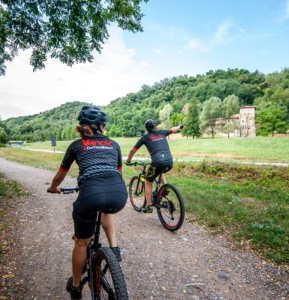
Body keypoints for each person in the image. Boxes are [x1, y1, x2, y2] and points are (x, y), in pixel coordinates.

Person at [48, 106, 127, 300]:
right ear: (101, 126)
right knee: (108, 209)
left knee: (82, 243)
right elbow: (120, 173)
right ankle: (114, 247)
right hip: (119, 194)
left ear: (82, 126)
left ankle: (75, 287)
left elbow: (60, 176)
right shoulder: (113, 144)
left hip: (91, 195)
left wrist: (53, 188)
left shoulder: (77, 145)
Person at [126, 119, 182, 213]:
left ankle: (149, 206)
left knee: (148, 182)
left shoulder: (145, 137)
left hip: (157, 162)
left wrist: (128, 161)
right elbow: (172, 129)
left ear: (146, 128)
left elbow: (132, 151)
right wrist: (179, 126)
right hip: (169, 161)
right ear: (155, 127)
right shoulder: (162, 132)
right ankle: (165, 187)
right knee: (159, 171)